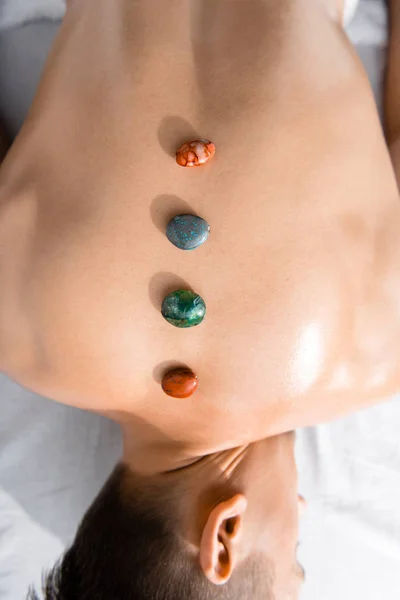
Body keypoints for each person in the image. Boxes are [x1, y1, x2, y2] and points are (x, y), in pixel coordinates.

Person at [1, 0, 400, 597]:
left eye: (295, 557)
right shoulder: (19, 331)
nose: (302, 504)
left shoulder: (371, 354)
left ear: (224, 538)